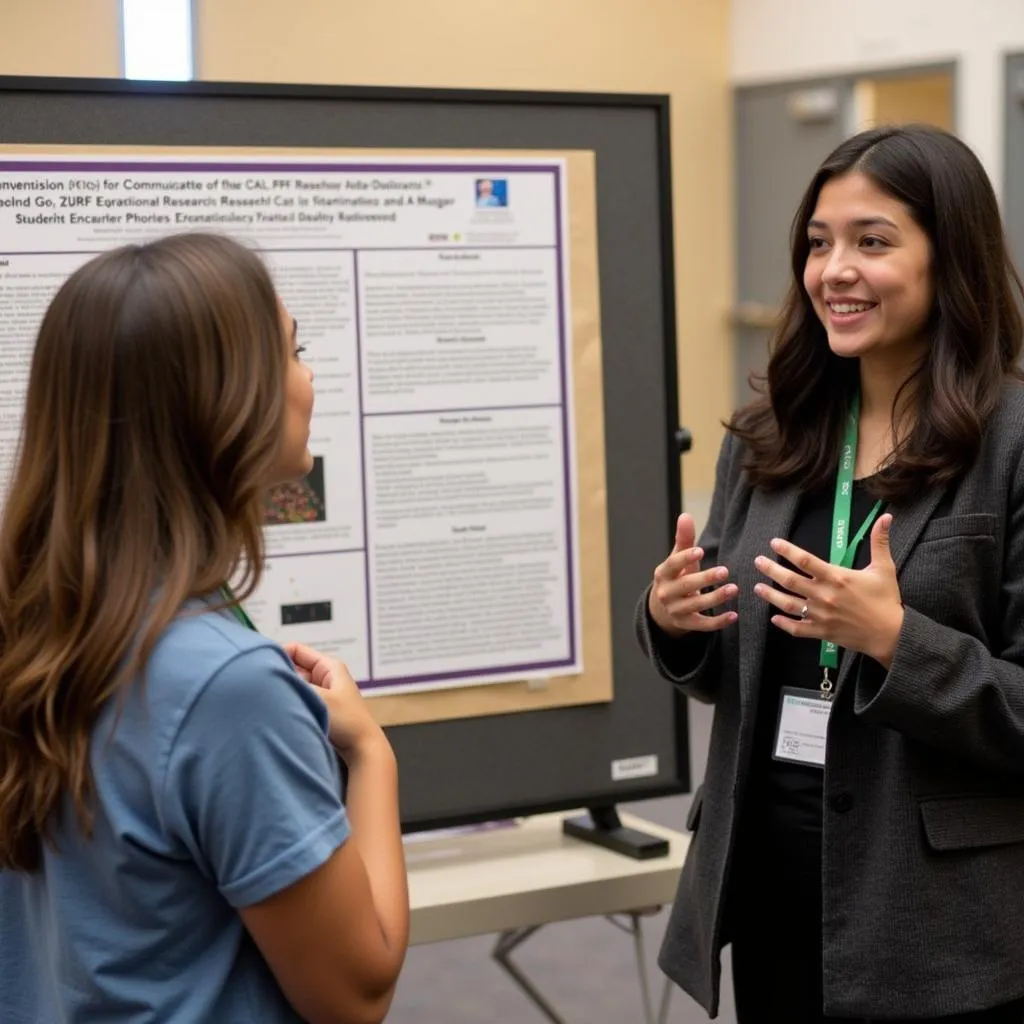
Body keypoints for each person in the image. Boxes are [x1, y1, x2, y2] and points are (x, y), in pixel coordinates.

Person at [637, 124, 1024, 1022]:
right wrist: (672, 621)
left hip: (937, 934)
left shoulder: (1010, 447)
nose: (834, 270)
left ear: (950, 259)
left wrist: (896, 641)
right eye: (819, 243)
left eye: (872, 241)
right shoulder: (773, 434)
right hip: (770, 894)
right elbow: (726, 671)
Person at [0, 234, 409, 1023]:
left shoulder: (34, 623)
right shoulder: (228, 687)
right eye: (293, 352)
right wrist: (370, 752)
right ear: (226, 403)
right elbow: (356, 994)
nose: (309, 377)